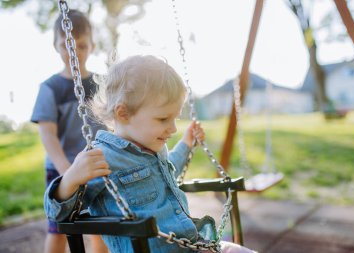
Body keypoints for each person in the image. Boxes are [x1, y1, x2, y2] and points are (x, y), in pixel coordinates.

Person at [44, 55, 256, 253]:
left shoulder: (154, 147)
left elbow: (168, 172)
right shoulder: (102, 157)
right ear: (123, 113)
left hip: (193, 245)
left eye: (175, 118)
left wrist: (186, 144)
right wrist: (70, 180)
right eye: (163, 119)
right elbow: (57, 214)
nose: (173, 128)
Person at [31, 9, 108, 253]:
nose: (74, 51)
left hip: (96, 166)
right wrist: (67, 170)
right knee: (60, 230)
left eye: (82, 45)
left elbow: (113, 124)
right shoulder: (50, 88)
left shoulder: (101, 84)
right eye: (66, 45)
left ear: (92, 45)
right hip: (61, 168)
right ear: (55, 45)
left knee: (102, 227)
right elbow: (48, 134)